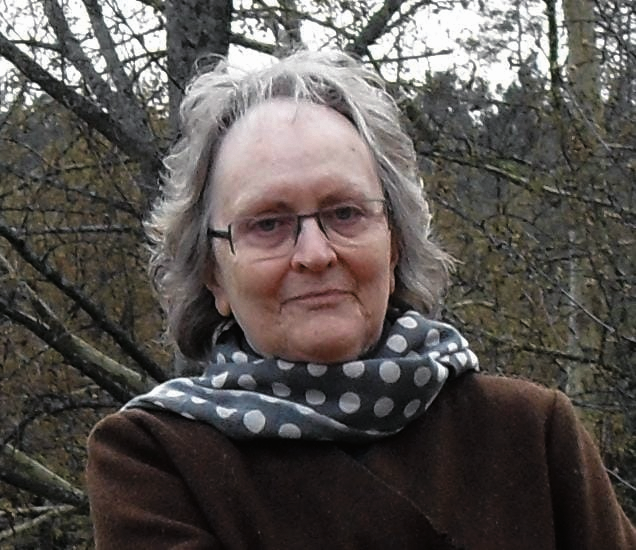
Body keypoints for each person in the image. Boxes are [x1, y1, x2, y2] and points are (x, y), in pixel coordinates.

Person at [86, 49, 636, 549]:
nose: (315, 253)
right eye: (268, 224)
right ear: (213, 276)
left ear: (395, 243)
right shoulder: (155, 460)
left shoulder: (529, 435)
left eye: (345, 213)